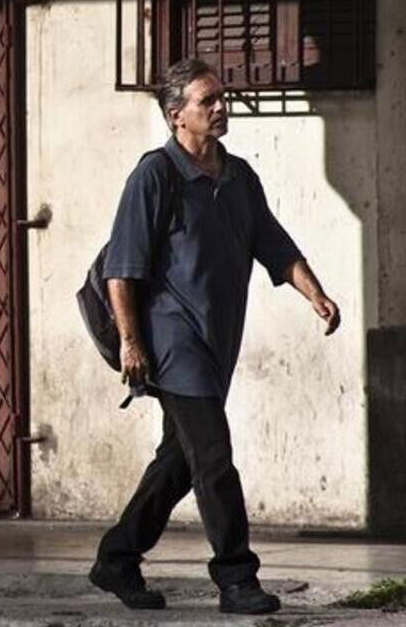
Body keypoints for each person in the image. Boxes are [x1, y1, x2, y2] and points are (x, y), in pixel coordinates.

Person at [88, 59, 341, 615]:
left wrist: (315, 294)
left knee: (179, 460)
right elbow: (122, 271)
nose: (222, 107)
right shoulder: (155, 176)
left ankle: (117, 556)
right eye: (209, 101)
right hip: (171, 343)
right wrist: (132, 343)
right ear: (178, 116)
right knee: (214, 456)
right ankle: (235, 578)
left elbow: (274, 244)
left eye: (222, 98)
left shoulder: (239, 176)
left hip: (216, 341)